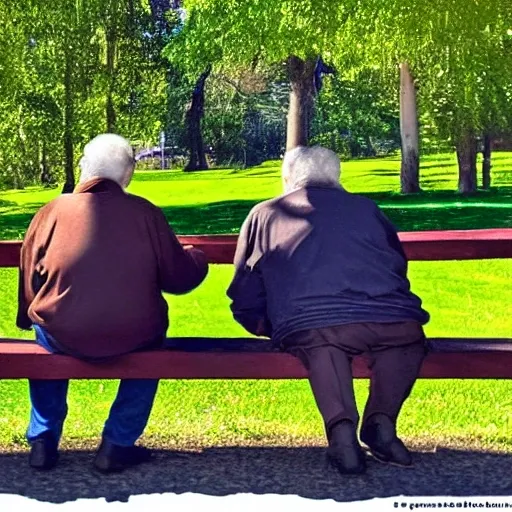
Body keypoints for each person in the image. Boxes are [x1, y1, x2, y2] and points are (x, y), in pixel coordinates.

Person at [227, 146, 429, 475]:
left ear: (287, 177)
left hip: (313, 320)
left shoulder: (265, 214)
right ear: (337, 177)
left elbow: (244, 287)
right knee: (404, 340)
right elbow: (396, 264)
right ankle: (381, 421)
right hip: (393, 314)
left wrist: (264, 322)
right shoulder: (368, 210)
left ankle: (343, 435)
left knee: (322, 340)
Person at [17, 133, 208, 473]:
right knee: (153, 346)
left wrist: (28, 316)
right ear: (127, 174)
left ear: (84, 169)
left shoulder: (52, 211)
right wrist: (197, 259)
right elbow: (179, 279)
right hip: (134, 333)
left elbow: (29, 271)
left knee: (46, 335)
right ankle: (117, 443)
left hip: (63, 332)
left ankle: (44, 439)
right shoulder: (145, 213)